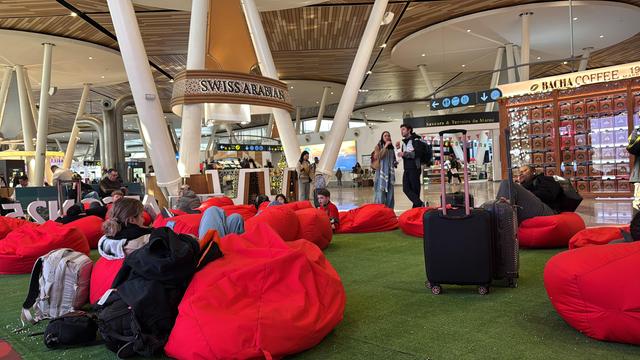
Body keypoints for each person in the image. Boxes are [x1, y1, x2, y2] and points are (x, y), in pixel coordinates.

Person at [494, 165, 562, 223]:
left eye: (525, 170)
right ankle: (498, 214)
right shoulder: (526, 184)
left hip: (548, 211)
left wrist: (527, 191)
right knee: (507, 197)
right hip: (532, 210)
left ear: (533, 171)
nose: (522, 173)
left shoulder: (542, 179)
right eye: (520, 172)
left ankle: (500, 219)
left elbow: (549, 195)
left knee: (506, 183)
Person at [396, 124, 424, 208]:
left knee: (415, 190)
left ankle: (417, 208)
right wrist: (398, 148)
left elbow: (417, 153)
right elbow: (403, 155)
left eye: (403, 129)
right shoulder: (404, 142)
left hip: (415, 168)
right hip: (407, 168)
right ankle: (420, 204)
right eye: (401, 130)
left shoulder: (416, 140)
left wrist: (404, 153)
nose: (402, 131)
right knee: (406, 188)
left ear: (409, 130)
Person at [372, 131, 396, 209]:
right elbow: (379, 157)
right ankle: (380, 211)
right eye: (385, 136)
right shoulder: (378, 146)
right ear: (382, 137)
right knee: (380, 193)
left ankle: (389, 211)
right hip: (380, 174)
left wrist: (396, 162)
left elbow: (394, 160)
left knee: (390, 194)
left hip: (390, 174)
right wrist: (385, 146)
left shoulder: (391, 148)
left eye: (388, 135)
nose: (387, 137)